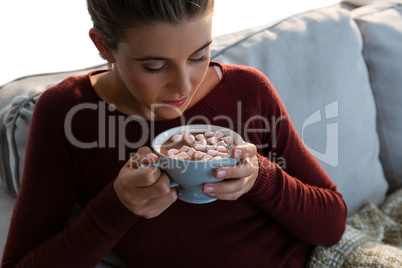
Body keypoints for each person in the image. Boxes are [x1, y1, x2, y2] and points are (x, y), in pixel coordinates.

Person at [1, 0, 347, 267]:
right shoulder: (66, 113)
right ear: (104, 45)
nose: (183, 87)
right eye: (154, 66)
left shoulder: (248, 89)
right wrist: (117, 207)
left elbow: (332, 223)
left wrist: (261, 178)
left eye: (199, 55)